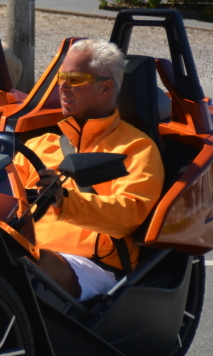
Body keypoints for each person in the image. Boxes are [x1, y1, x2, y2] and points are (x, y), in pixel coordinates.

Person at [14, 39, 164, 301]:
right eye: (62, 76)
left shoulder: (136, 147)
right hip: (30, 253)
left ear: (106, 87)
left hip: (94, 265)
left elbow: (130, 214)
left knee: (26, 264)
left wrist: (66, 201)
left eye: (75, 78)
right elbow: (4, 197)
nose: (62, 85)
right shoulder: (37, 145)